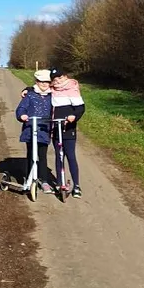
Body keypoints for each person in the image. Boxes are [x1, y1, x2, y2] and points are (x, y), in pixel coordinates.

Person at [15, 69, 55, 194]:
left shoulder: (52, 96)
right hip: (31, 129)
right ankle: (29, 178)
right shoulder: (30, 95)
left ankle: (44, 181)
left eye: (47, 82)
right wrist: (22, 115)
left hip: (44, 130)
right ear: (37, 82)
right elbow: (21, 108)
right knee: (31, 155)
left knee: (42, 156)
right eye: (42, 82)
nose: (44, 84)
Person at [50, 67, 85, 198]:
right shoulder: (52, 90)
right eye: (54, 79)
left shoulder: (72, 88)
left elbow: (81, 108)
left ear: (65, 76)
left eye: (59, 78)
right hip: (56, 128)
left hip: (68, 129)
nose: (57, 81)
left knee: (70, 156)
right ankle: (60, 182)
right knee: (59, 156)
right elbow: (38, 89)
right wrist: (26, 90)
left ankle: (76, 185)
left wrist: (74, 117)